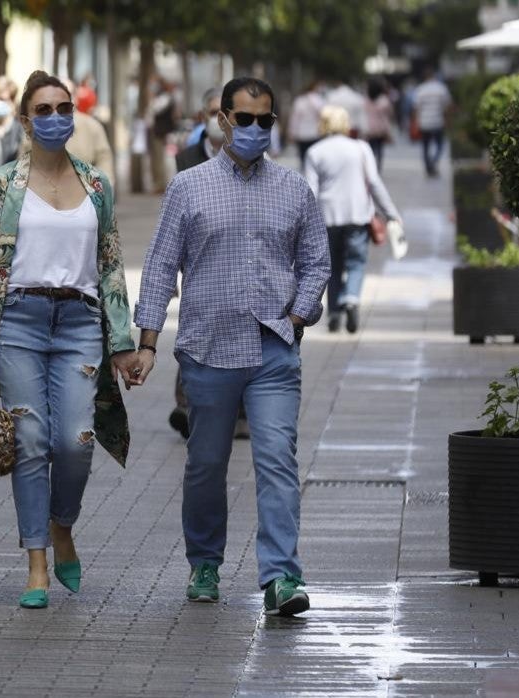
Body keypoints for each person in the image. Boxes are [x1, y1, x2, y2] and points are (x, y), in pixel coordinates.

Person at [130, 77, 330, 617]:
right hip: (208, 349)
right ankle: (204, 562)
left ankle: (283, 577)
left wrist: (296, 313)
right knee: (205, 463)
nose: (256, 130)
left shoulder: (293, 189)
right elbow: (160, 266)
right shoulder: (189, 187)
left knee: (276, 460)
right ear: (223, 120)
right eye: (246, 120)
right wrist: (146, 341)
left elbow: (316, 261)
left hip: (272, 350)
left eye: (266, 121)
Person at [0, 71, 138, 609]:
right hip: (18, 323)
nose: (56, 118)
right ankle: (35, 563)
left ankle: (62, 527)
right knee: (30, 441)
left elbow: (110, 264)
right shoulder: (2, 185)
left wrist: (121, 341)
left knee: (76, 440)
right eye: (44, 110)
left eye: (63, 108)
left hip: (79, 322)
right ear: (26, 120)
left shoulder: (97, 184)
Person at [168, 86, 250, 442]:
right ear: (205, 117)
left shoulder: (249, 154)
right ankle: (187, 403)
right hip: (198, 259)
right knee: (195, 324)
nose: (219, 119)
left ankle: (238, 410)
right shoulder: (186, 157)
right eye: (213, 111)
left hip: (237, 258)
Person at [305, 106, 401, 335]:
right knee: (356, 262)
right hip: (358, 215)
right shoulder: (361, 148)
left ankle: (334, 313)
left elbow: (310, 191)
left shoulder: (315, 152)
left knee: (333, 266)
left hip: (327, 218)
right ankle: (351, 299)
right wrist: (391, 213)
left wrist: (303, 225)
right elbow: (375, 183)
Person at [412, 67, 453, 177]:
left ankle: (428, 167)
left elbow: (416, 108)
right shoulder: (441, 88)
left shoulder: (420, 89)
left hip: (424, 122)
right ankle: (433, 162)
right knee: (439, 145)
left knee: (425, 146)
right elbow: (447, 106)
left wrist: (416, 121)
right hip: (438, 122)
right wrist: (448, 120)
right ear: (433, 76)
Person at [148, 77, 178, 193]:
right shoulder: (163, 97)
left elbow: (155, 109)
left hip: (162, 133)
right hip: (159, 132)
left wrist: (151, 97)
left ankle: (161, 184)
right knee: (158, 159)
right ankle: (159, 183)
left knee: (161, 159)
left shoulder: (165, 98)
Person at [288, 81, 325, 168]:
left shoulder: (299, 101)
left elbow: (295, 119)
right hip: (315, 133)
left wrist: (292, 132)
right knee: (314, 157)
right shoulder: (319, 100)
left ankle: (304, 174)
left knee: (303, 157)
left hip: (302, 134)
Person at [364, 78, 395, 172]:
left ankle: (371, 166)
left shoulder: (366, 100)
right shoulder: (384, 100)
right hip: (381, 129)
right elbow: (390, 114)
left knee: (370, 149)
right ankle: (378, 167)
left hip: (369, 128)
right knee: (380, 149)